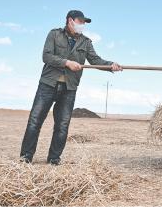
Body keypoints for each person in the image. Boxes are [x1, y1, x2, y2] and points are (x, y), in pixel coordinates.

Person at [20, 10, 122, 165]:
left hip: (69, 88)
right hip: (48, 85)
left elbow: (95, 60)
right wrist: (67, 63)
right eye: (80, 21)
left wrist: (111, 66)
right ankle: (25, 158)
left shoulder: (86, 42)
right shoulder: (54, 34)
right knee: (35, 121)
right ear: (70, 20)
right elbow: (46, 56)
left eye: (84, 23)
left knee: (62, 125)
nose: (82, 25)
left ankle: (54, 159)